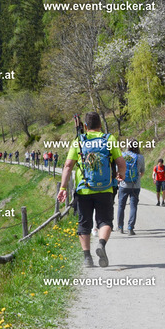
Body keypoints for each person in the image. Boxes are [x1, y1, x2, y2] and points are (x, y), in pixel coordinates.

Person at [57, 112, 126, 268]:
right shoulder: (109, 139)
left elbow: (68, 165)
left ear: (86, 126)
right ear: (100, 125)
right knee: (105, 221)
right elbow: (121, 163)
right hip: (106, 188)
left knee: (84, 223)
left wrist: (63, 188)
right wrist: (120, 175)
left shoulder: (79, 141)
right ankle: (101, 244)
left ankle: (87, 258)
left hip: (84, 189)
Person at [117, 140, 145, 235]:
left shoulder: (122, 155)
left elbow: (118, 170)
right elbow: (142, 171)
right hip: (135, 186)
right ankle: (130, 228)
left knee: (121, 206)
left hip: (123, 185)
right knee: (133, 207)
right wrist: (136, 178)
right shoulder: (140, 157)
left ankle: (120, 227)